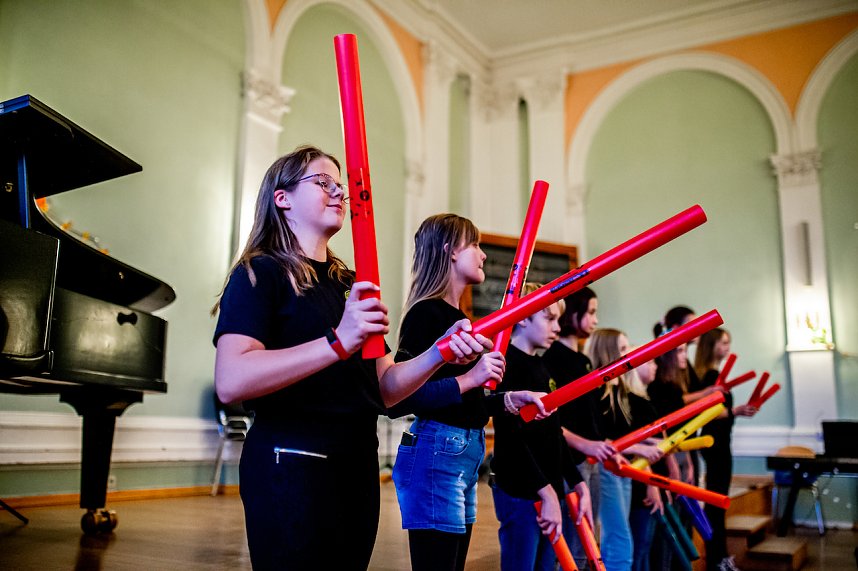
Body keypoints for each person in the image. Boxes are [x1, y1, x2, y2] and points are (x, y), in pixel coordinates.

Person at [212, 147, 489, 570]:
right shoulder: (260, 272)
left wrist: (440, 352)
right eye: (323, 182)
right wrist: (338, 341)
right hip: (292, 460)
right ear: (282, 198)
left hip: (357, 463)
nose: (340, 192)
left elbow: (386, 389)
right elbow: (232, 379)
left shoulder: (349, 282)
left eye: (340, 185)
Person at [390, 214, 550, 571]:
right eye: (474, 244)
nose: (483, 254)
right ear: (450, 250)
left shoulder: (457, 315)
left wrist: (506, 400)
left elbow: (462, 403)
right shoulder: (426, 313)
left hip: (462, 451)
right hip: (438, 451)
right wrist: (472, 377)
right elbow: (405, 397)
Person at [490, 283, 592, 570]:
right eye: (549, 319)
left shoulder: (541, 365)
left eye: (558, 319)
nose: (557, 327)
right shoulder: (507, 364)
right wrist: (546, 493)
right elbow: (512, 439)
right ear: (523, 318)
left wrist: (577, 482)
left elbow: (553, 433)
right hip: (520, 490)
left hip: (547, 489)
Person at [542, 287, 615, 568]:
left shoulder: (583, 360)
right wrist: (585, 444)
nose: (595, 319)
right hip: (570, 460)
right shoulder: (553, 360)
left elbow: (590, 414)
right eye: (591, 312)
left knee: (587, 542)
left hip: (589, 460)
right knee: (572, 545)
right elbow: (553, 419)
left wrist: (600, 443)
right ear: (573, 313)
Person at [589, 329, 663, 571]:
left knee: (624, 540)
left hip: (624, 469)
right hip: (607, 468)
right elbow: (601, 438)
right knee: (619, 539)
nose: (627, 355)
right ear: (607, 352)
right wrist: (640, 447)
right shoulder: (597, 391)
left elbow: (623, 435)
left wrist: (644, 448)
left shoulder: (620, 391)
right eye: (622, 349)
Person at [694, 328, 757, 571]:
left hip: (720, 443)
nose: (727, 347)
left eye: (728, 342)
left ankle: (719, 556)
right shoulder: (710, 376)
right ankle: (716, 559)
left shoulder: (715, 374)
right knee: (716, 504)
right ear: (711, 346)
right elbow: (706, 411)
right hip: (715, 444)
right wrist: (735, 411)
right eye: (722, 343)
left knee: (719, 503)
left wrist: (735, 412)